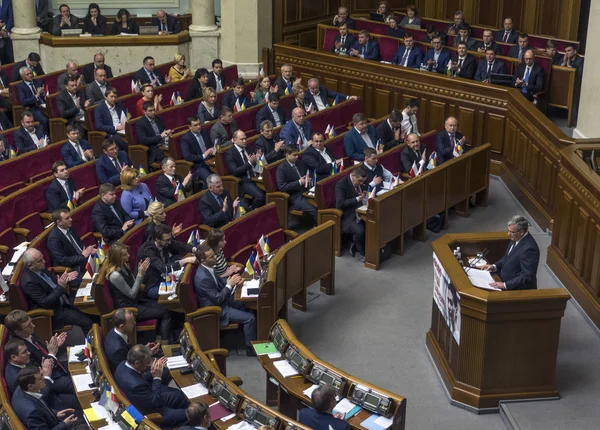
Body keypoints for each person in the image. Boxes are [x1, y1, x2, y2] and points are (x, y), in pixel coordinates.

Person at [194, 244, 256, 356]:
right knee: (250, 318)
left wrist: (234, 282)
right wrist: (230, 285)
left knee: (248, 302)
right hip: (216, 309)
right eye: (212, 257)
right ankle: (249, 349)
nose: (216, 258)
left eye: (214, 255)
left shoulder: (208, 267)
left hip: (224, 300)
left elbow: (221, 283)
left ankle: (249, 334)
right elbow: (217, 298)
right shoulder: (202, 278)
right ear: (203, 260)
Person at [106, 245, 174, 341]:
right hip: (130, 308)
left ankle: (159, 338)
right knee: (165, 312)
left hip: (137, 301)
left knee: (166, 306)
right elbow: (132, 293)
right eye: (125, 254)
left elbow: (135, 284)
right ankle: (165, 344)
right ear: (118, 258)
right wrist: (139, 274)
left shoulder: (124, 265)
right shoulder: (115, 275)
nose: (129, 255)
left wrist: (142, 272)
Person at [5, 311, 76, 400]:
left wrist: (54, 345)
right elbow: (42, 369)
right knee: (77, 384)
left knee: (81, 363)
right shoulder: (21, 349)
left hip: (55, 366)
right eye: (28, 325)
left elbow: (42, 353)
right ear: (18, 332)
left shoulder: (28, 333)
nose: (33, 326)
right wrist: (52, 353)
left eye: (31, 322)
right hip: (48, 379)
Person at [20, 248, 94, 333]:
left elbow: (51, 283)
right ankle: (92, 345)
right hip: (55, 311)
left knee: (91, 307)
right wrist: (61, 286)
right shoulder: (29, 282)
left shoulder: (39, 267)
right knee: (87, 323)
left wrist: (64, 279)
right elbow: (45, 302)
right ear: (30, 265)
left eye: (43, 258)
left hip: (64, 300)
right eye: (39, 261)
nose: (44, 261)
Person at [115, 345, 190, 426]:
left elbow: (138, 378)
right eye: (147, 362)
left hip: (143, 397)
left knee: (179, 395)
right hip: (151, 410)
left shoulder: (122, 365)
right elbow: (155, 402)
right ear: (137, 363)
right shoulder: (137, 386)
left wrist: (153, 372)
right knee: (190, 413)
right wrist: (157, 377)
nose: (149, 364)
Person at [4, 338, 79, 409]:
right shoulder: (16, 379)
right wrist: (45, 376)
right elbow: (37, 397)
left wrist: (43, 371)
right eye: (24, 352)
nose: (29, 353)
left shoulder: (22, 361)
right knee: (78, 398)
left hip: (47, 386)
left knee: (76, 383)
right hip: (47, 402)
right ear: (14, 357)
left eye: (27, 350)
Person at [103, 308, 168, 378]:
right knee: (165, 372)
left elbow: (130, 357)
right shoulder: (118, 349)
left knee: (165, 370)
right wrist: (155, 374)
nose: (134, 323)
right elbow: (127, 373)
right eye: (131, 322)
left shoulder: (114, 332)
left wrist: (145, 351)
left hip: (133, 370)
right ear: (122, 326)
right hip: (132, 378)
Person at [137, 223, 196, 299]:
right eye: (167, 240)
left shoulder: (165, 241)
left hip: (165, 275)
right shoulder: (147, 251)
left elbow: (179, 245)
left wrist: (194, 249)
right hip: (153, 283)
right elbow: (162, 268)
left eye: (170, 239)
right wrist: (185, 260)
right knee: (180, 292)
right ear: (157, 239)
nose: (169, 242)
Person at [12, 367, 82, 429]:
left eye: (42, 375)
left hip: (53, 418)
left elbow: (42, 409)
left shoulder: (21, 388)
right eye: (40, 379)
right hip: (57, 426)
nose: (44, 378)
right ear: (30, 386)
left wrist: (55, 414)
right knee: (86, 420)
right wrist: (65, 424)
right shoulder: (32, 412)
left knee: (81, 413)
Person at [482, 215, 540, 290]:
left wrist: (505, 285)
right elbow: (508, 257)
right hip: (505, 280)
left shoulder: (529, 248)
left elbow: (526, 276)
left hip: (517, 290)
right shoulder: (516, 237)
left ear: (521, 232)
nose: (508, 234)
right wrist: (494, 266)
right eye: (508, 230)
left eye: (511, 232)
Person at [48, 208, 96, 281]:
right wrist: (82, 256)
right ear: (59, 222)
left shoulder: (70, 228)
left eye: (70, 217)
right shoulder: (54, 239)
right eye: (67, 218)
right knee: (95, 280)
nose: (71, 219)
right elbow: (63, 260)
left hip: (82, 261)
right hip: (71, 270)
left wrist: (89, 250)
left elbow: (79, 244)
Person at [276, 144, 318, 225]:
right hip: (295, 196)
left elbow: (306, 173)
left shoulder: (299, 163)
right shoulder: (281, 169)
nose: (297, 157)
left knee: (321, 203)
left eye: (297, 154)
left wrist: (308, 179)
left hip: (306, 191)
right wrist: (299, 182)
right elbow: (282, 187)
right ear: (287, 155)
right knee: (314, 209)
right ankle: (317, 230)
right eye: (294, 155)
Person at [226, 130, 266, 209]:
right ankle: (252, 212)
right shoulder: (230, 153)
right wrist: (249, 163)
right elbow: (235, 172)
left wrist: (258, 158)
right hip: (245, 181)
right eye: (242, 139)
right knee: (261, 196)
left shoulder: (248, 148)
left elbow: (256, 161)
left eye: (245, 138)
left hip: (256, 177)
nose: (245, 141)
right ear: (234, 140)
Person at [336, 166, 368, 257]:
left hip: (361, 209)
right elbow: (340, 204)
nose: (361, 183)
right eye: (360, 181)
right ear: (353, 176)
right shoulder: (341, 184)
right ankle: (360, 249)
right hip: (348, 214)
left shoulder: (360, 181)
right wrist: (357, 199)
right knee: (360, 231)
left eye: (363, 181)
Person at [181, 115, 214, 186]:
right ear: (189, 127)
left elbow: (210, 144)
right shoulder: (186, 139)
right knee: (210, 180)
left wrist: (212, 150)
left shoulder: (204, 132)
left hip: (210, 160)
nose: (199, 126)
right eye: (195, 125)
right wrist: (203, 156)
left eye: (199, 124)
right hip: (198, 165)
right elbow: (187, 156)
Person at [15, 68, 49, 135]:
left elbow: (44, 94)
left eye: (31, 73)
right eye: (27, 74)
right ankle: (46, 138)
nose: (30, 75)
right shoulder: (20, 86)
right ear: (22, 77)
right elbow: (23, 101)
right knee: (44, 120)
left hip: (44, 105)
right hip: (33, 108)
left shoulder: (38, 81)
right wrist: (36, 95)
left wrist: (43, 93)